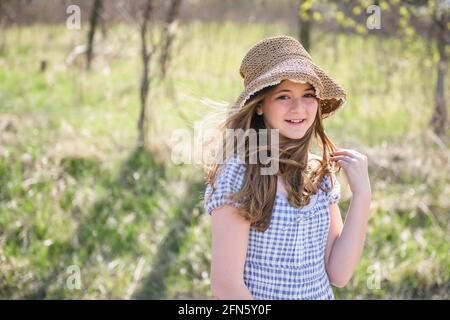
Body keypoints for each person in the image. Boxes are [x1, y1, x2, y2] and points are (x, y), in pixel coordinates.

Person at [203, 35, 371, 300]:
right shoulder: (240, 174)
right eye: (284, 96)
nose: (299, 108)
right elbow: (226, 288)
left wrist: (362, 196)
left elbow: (339, 274)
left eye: (308, 95)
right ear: (259, 106)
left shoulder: (319, 174)